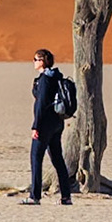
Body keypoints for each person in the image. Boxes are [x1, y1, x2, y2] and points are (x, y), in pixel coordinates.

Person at [25, 48, 74, 205]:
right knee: (58, 160)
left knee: (36, 158)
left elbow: (41, 104)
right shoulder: (56, 77)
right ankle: (66, 197)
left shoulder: (45, 79)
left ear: (42, 61)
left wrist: (36, 126)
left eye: (35, 59)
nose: (33, 62)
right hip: (57, 124)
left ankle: (35, 196)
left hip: (45, 125)